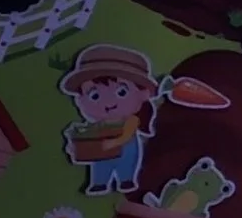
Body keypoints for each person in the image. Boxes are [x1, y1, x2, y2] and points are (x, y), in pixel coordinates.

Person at [58, 45, 164, 194]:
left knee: (126, 163)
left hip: (123, 151)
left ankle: (125, 180)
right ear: (80, 100)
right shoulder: (97, 125)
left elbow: (127, 135)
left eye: (121, 92)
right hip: (101, 154)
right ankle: (99, 182)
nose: (108, 102)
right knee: (100, 166)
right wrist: (76, 146)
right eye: (94, 96)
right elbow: (85, 139)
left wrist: (113, 142)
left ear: (143, 93)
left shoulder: (131, 121)